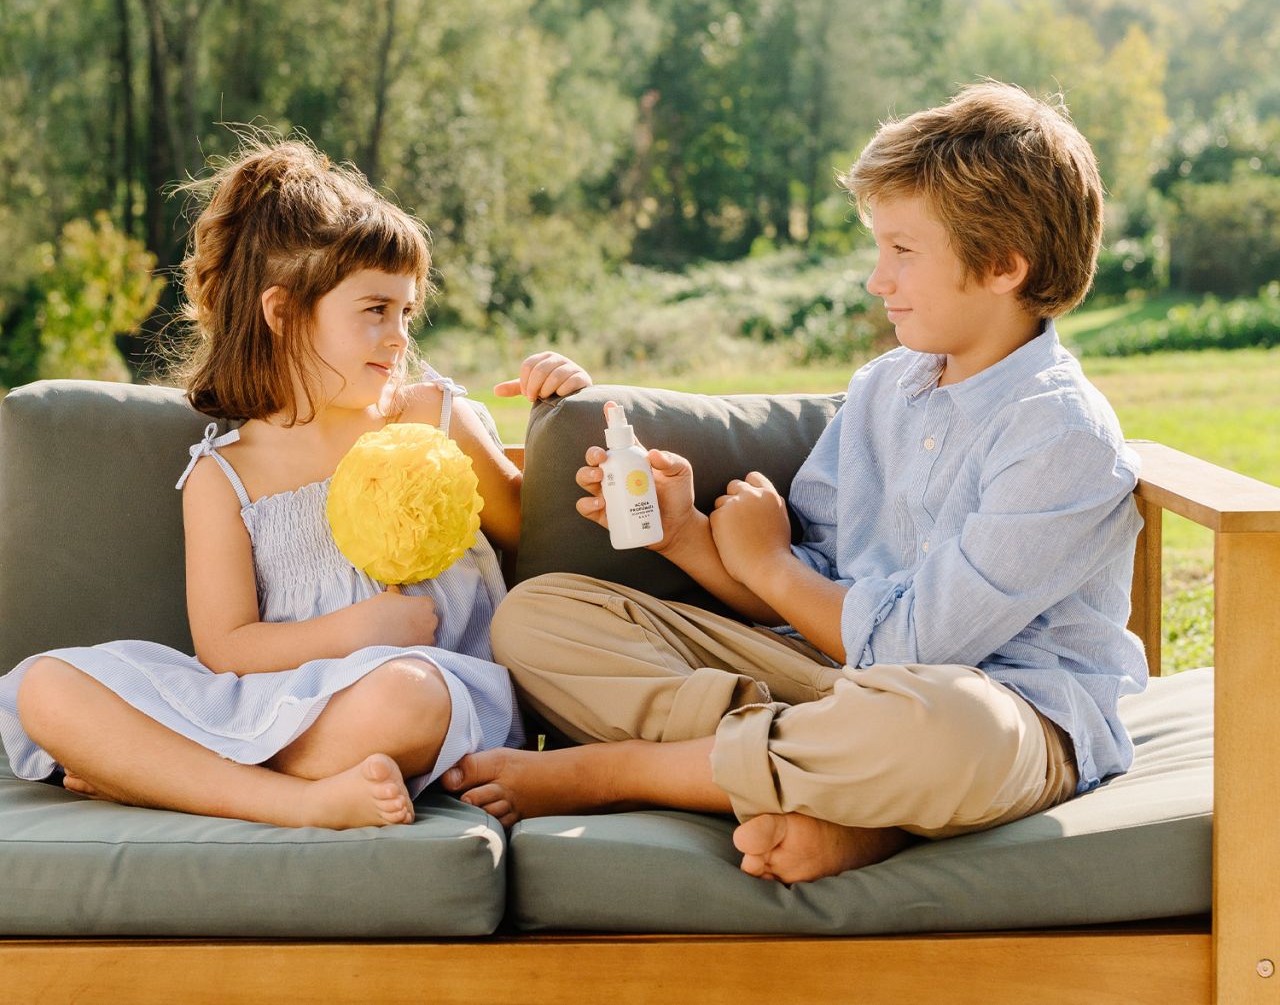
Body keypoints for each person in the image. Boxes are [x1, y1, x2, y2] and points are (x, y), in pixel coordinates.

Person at [442, 82, 1150, 884]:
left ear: (1003, 266)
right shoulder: (885, 386)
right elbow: (804, 603)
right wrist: (691, 538)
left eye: (903, 252)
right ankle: (842, 803)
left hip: (1006, 712)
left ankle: (626, 773)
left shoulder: (1059, 433)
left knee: (951, 729)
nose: (878, 280)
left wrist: (770, 565)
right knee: (538, 615)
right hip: (829, 692)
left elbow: (919, 647)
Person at [0, 139, 590, 830]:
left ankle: (157, 773)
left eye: (407, 311)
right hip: (269, 701)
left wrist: (563, 405)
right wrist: (360, 627)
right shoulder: (224, 477)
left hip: (413, 695)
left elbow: (535, 534)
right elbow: (226, 648)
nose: (399, 336)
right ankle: (296, 800)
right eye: (374, 309)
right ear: (282, 313)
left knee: (407, 698)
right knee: (45, 688)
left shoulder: (431, 416)